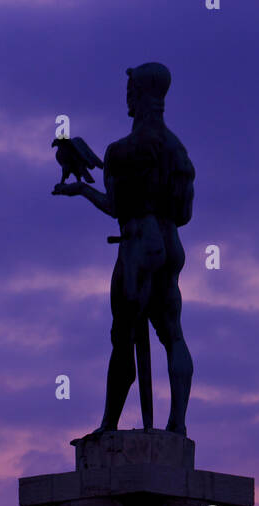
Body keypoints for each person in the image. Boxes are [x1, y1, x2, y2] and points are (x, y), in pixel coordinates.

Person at [53, 62, 195, 436]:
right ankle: (177, 424)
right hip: (171, 243)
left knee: (123, 336)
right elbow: (185, 213)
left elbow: (115, 207)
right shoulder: (178, 150)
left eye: (129, 90)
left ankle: (108, 425)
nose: (126, 97)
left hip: (137, 243)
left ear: (138, 95)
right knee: (174, 336)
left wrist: (81, 189)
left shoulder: (122, 150)